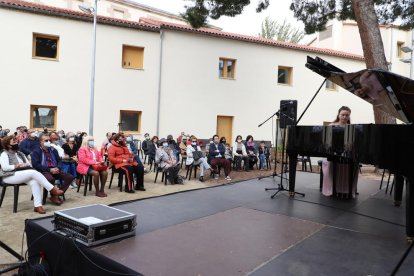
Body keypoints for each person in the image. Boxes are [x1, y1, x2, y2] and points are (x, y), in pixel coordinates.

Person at [0, 136, 64, 214]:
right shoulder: (4, 154)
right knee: (33, 173)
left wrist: (25, 165)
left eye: (16, 141)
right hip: (9, 176)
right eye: (14, 142)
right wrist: (17, 165)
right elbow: (5, 167)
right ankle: (52, 189)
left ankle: (38, 206)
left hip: (21, 174)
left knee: (35, 181)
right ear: (8, 145)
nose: (17, 143)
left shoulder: (20, 153)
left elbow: (29, 164)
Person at [322, 106, 358, 197]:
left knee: (355, 162)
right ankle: (331, 189)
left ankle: (348, 189)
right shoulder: (331, 126)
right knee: (330, 163)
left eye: (347, 115)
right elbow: (326, 143)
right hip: (332, 154)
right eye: (343, 115)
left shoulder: (352, 128)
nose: (345, 117)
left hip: (347, 154)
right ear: (339, 115)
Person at [30, 134, 74, 205]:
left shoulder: (53, 150)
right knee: (50, 179)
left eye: (49, 140)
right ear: (41, 142)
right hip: (43, 171)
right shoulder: (36, 151)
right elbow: (36, 165)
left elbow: (59, 160)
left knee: (70, 177)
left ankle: (57, 193)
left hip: (55, 169)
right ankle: (54, 196)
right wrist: (50, 170)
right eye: (46, 140)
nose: (48, 142)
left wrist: (58, 168)